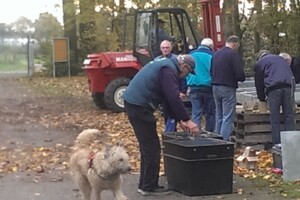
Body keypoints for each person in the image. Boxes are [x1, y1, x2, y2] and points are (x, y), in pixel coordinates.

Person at [123, 54, 199, 196]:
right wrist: (187, 119)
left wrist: (180, 120)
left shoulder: (166, 66)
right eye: (188, 72)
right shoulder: (169, 71)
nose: (185, 76)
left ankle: (145, 183)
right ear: (184, 66)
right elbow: (173, 97)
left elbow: (166, 99)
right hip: (139, 106)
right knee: (152, 147)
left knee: (147, 147)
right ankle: (148, 186)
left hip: (135, 104)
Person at [255, 50, 295, 145]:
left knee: (275, 117)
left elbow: (259, 83)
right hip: (288, 86)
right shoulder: (281, 59)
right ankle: (290, 143)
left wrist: (262, 99)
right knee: (289, 115)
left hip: (274, 89)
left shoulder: (260, 63)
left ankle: (277, 144)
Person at [211, 35, 245, 141]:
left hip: (215, 87)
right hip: (227, 87)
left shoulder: (216, 54)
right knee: (228, 117)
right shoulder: (233, 54)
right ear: (235, 44)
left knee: (219, 115)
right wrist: (241, 78)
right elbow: (239, 73)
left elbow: (211, 71)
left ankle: (216, 139)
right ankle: (223, 143)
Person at [155, 40, 187, 132]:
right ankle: (170, 133)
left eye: (167, 48)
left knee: (172, 116)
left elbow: (182, 77)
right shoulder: (157, 60)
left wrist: (182, 91)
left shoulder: (176, 60)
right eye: (163, 48)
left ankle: (170, 133)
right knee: (166, 115)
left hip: (173, 91)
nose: (165, 50)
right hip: (162, 93)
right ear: (160, 49)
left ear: (171, 48)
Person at [186, 38, 215, 132]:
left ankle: (195, 135)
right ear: (210, 46)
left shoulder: (190, 55)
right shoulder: (212, 56)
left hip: (193, 87)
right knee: (210, 113)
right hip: (208, 87)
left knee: (196, 112)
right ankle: (210, 134)